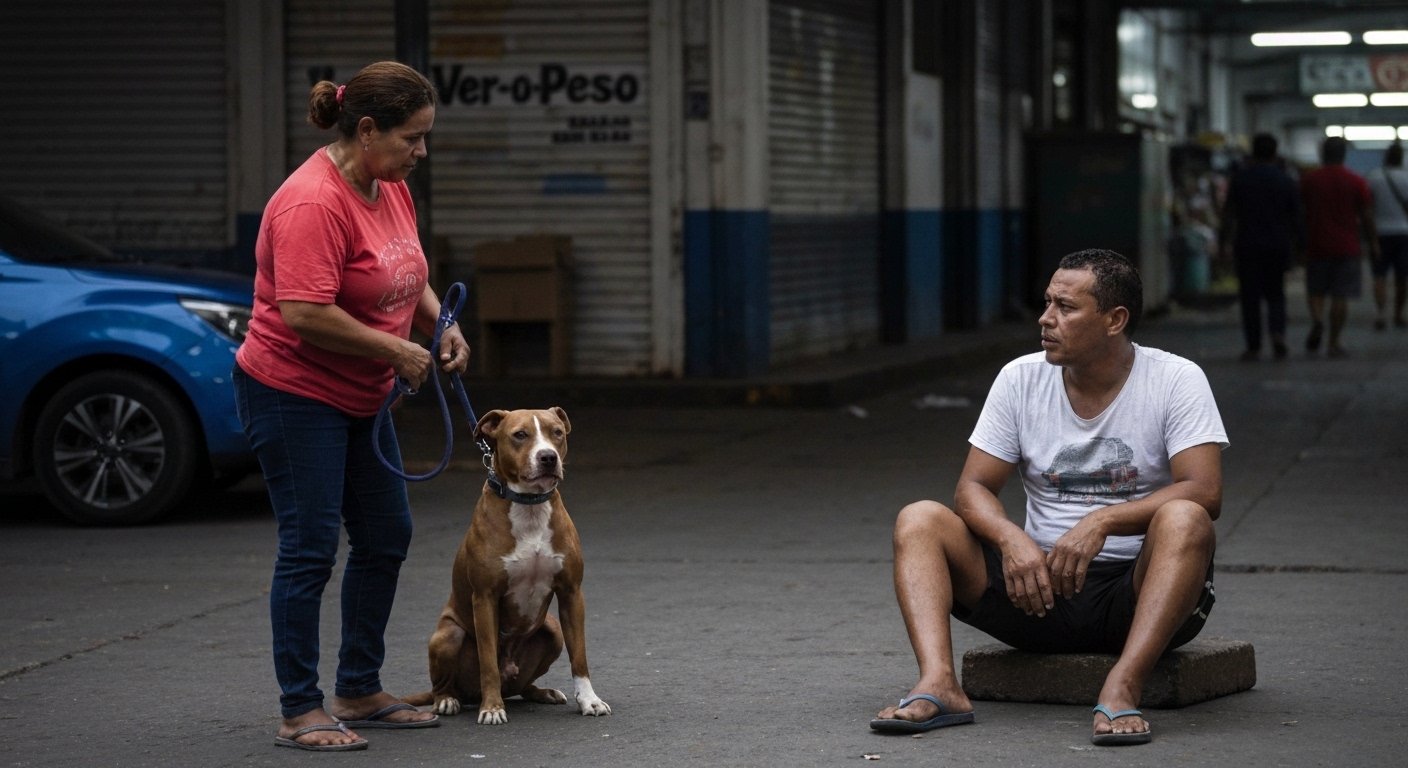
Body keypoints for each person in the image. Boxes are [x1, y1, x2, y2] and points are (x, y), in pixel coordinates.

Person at [870, 249, 1227, 747]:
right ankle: (939, 683)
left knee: (1186, 518)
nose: (1045, 318)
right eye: (1047, 303)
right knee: (919, 519)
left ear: (1114, 320)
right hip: (1035, 590)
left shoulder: (1175, 379)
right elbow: (973, 488)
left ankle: (1124, 685)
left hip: (1136, 593)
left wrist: (1102, 522)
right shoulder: (1020, 378)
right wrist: (1010, 539)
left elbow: (1204, 490)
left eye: (1066, 307)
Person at [233, 61, 468, 752]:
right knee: (309, 548)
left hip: (362, 393)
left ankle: (359, 688)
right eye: (411, 138)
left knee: (386, 535)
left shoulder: (388, 184)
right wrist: (396, 351)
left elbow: (406, 270)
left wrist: (440, 325)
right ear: (367, 130)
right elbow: (304, 312)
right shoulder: (311, 203)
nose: (420, 152)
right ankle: (299, 709)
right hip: (293, 393)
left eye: (425, 137)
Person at [1220, 133, 1300, 360]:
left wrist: (1224, 242)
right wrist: (1300, 246)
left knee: (1250, 297)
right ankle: (1277, 334)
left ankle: (1253, 345)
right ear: (1275, 153)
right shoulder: (1286, 180)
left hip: (1248, 245)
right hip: (1277, 245)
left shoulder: (1241, 179)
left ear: (1252, 153)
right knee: (1276, 293)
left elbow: (1229, 214)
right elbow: (1296, 217)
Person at [1299, 136, 1378, 358]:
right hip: (1347, 246)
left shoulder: (1309, 180)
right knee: (1340, 295)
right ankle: (1334, 342)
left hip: (1316, 243)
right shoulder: (1356, 181)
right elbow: (1366, 215)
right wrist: (1373, 242)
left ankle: (1317, 320)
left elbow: (1299, 212)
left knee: (1316, 290)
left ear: (1322, 154)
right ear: (1344, 155)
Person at [1365, 141, 1408, 330]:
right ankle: (1398, 314)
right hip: (1403, 232)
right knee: (1402, 277)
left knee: (1379, 275)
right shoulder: (1406, 178)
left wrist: (1371, 237)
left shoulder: (1373, 177)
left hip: (1379, 232)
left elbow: (1368, 208)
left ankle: (1380, 313)